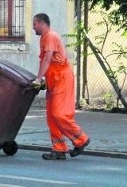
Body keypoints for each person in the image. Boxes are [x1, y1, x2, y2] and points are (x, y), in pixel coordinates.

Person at [32, 13, 90, 160]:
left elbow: (47, 59)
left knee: (59, 114)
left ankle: (81, 139)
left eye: (35, 24)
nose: (33, 27)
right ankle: (58, 149)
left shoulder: (50, 36)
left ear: (42, 23)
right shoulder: (44, 38)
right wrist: (45, 80)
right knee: (51, 116)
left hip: (62, 79)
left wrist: (38, 79)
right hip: (54, 79)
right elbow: (48, 63)